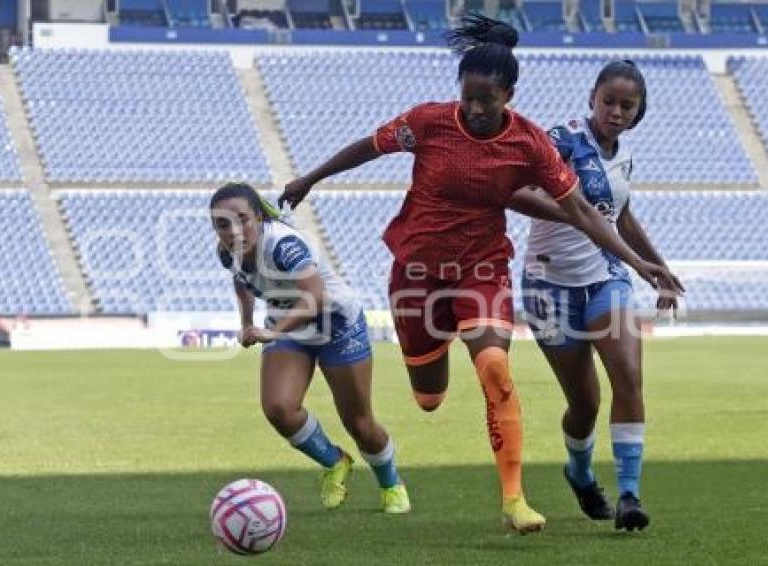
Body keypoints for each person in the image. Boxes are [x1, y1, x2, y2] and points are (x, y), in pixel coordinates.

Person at [279, 15, 682, 534]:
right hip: (418, 271)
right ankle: (434, 362)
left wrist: (638, 262)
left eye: (485, 100)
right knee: (429, 397)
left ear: (508, 95)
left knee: (495, 365)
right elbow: (368, 146)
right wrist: (311, 177)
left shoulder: (531, 144)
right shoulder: (428, 121)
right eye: (467, 96)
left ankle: (515, 500)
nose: (473, 108)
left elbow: (585, 211)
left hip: (483, 267)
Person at [521, 60, 681, 531]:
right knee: (584, 404)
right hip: (548, 287)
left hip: (606, 278)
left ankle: (630, 495)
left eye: (626, 106)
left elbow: (622, 216)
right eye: (608, 101)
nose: (615, 111)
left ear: (638, 111)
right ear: (592, 97)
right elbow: (519, 192)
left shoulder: (623, 156)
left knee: (628, 373)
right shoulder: (561, 141)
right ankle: (579, 472)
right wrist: (575, 214)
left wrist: (659, 269)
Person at [210, 182, 411, 514]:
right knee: (279, 408)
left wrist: (271, 333)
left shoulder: (284, 244)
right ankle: (335, 461)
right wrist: (247, 322)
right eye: (222, 224)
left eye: (242, 219)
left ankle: (391, 484)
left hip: (336, 324)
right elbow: (241, 281)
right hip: (289, 325)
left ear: (258, 217)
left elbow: (315, 297)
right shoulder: (225, 251)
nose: (233, 231)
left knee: (359, 423)